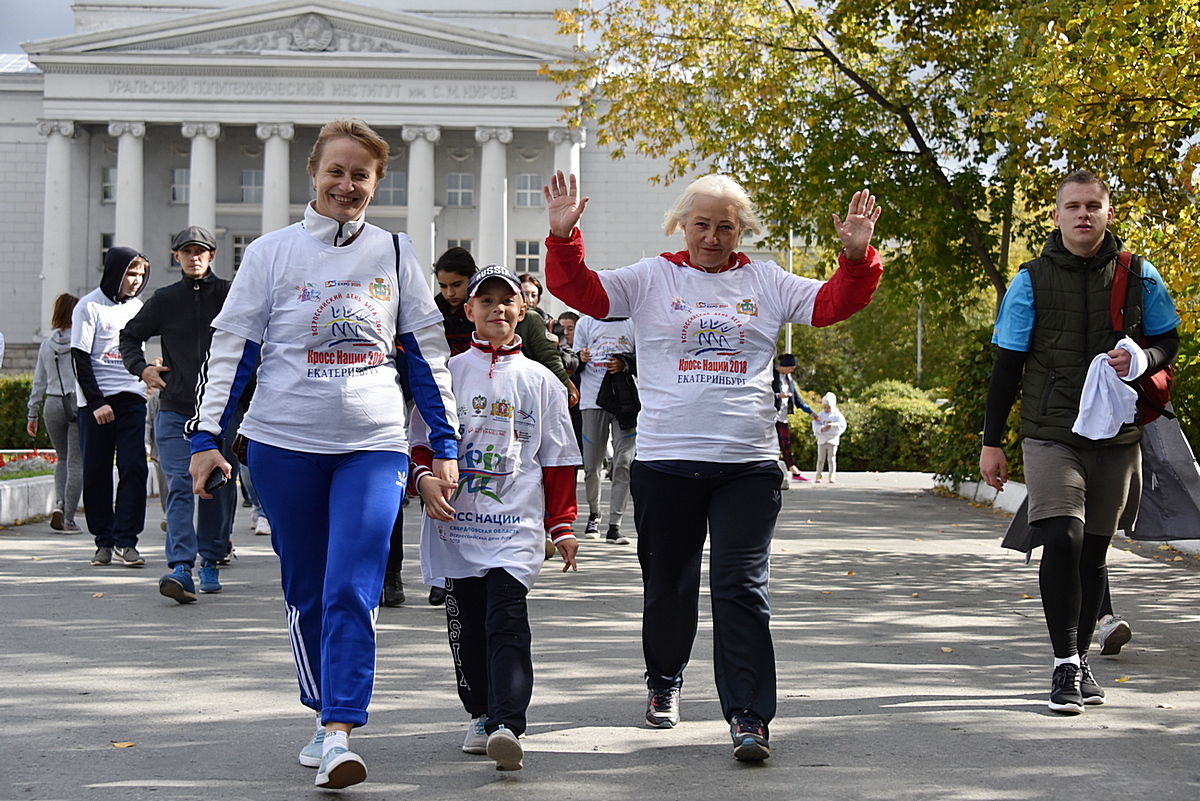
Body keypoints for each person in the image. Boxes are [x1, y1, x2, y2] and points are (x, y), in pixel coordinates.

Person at [543, 170, 882, 760]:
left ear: (741, 229)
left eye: (726, 226)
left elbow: (831, 304)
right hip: (667, 463)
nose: (713, 236)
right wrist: (564, 238)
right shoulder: (653, 277)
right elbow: (586, 294)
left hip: (745, 467)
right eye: (701, 224)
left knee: (740, 588)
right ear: (681, 224)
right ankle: (664, 680)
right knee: (669, 589)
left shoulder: (766, 280)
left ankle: (749, 715)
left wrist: (855, 257)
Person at [186, 119, 458, 790]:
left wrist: (444, 444)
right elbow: (232, 351)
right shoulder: (273, 253)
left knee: (351, 585)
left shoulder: (395, 254)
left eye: (360, 175)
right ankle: (320, 711)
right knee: (306, 588)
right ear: (313, 173)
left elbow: (427, 357)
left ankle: (340, 727)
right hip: (283, 446)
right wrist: (204, 439)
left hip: (372, 445)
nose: (346, 184)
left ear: (376, 182)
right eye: (335, 171)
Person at [979, 170, 1180, 715]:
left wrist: (1142, 358)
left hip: (1116, 432)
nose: (1083, 214)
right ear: (1057, 215)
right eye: (1073, 206)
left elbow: (1168, 338)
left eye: (1093, 205)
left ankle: (1083, 657)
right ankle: (1064, 663)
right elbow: (1007, 363)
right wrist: (991, 442)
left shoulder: (1139, 275)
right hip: (1051, 431)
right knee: (1063, 537)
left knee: (1094, 550)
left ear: (1108, 212)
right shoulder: (1031, 279)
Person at [410, 264, 580, 772]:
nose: (497, 310)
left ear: (522, 310)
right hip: (458, 528)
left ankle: (508, 724)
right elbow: (417, 443)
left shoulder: (542, 381)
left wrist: (563, 525)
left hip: (515, 525)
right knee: (467, 622)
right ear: (469, 311)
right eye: (486, 302)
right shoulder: (446, 375)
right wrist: (424, 481)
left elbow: (557, 458)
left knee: (507, 619)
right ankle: (480, 713)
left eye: (507, 302)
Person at [120, 225, 237, 603]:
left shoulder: (230, 294)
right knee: (180, 485)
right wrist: (142, 369)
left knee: (216, 488)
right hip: (175, 409)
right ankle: (181, 567)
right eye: (186, 252)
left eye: (200, 251)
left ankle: (212, 560)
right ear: (176, 257)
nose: (193, 257)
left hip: (222, 412)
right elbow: (129, 336)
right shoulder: (166, 299)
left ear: (211, 255)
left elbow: (262, 339)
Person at [72, 246, 150, 567]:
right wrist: (96, 402)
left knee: (134, 467)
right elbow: (80, 358)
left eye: (141, 275)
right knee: (97, 472)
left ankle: (126, 541)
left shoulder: (139, 308)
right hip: (97, 401)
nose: (136, 281)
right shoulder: (89, 306)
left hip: (132, 396)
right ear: (115, 273)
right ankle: (103, 541)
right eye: (131, 274)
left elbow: (138, 353)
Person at [574, 313, 637, 543]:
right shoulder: (586, 323)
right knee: (591, 465)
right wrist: (580, 357)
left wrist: (624, 362)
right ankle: (594, 514)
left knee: (623, 463)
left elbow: (645, 358)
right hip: (593, 401)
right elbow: (571, 362)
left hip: (625, 402)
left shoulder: (632, 322)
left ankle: (615, 524)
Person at [26, 293, 83, 533]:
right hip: (77, 404)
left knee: (61, 458)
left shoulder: (46, 345)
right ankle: (68, 518)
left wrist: (32, 413)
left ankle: (59, 503)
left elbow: (38, 381)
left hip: (52, 404)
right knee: (76, 462)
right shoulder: (81, 341)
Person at [772, 354, 813, 482]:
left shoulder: (788, 378)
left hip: (783, 416)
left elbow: (797, 397)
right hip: (770, 416)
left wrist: (811, 413)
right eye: (791, 368)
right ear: (784, 366)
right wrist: (779, 395)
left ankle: (794, 470)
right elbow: (763, 392)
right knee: (772, 444)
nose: (792, 371)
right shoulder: (771, 375)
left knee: (786, 443)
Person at [811, 392, 847, 483]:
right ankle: (819, 474)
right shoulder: (821, 415)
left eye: (829, 407)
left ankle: (832, 475)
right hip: (822, 439)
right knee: (820, 459)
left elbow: (842, 425)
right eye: (825, 407)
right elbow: (815, 424)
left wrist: (832, 425)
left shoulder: (837, 415)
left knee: (831, 459)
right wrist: (822, 429)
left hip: (832, 439)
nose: (827, 409)